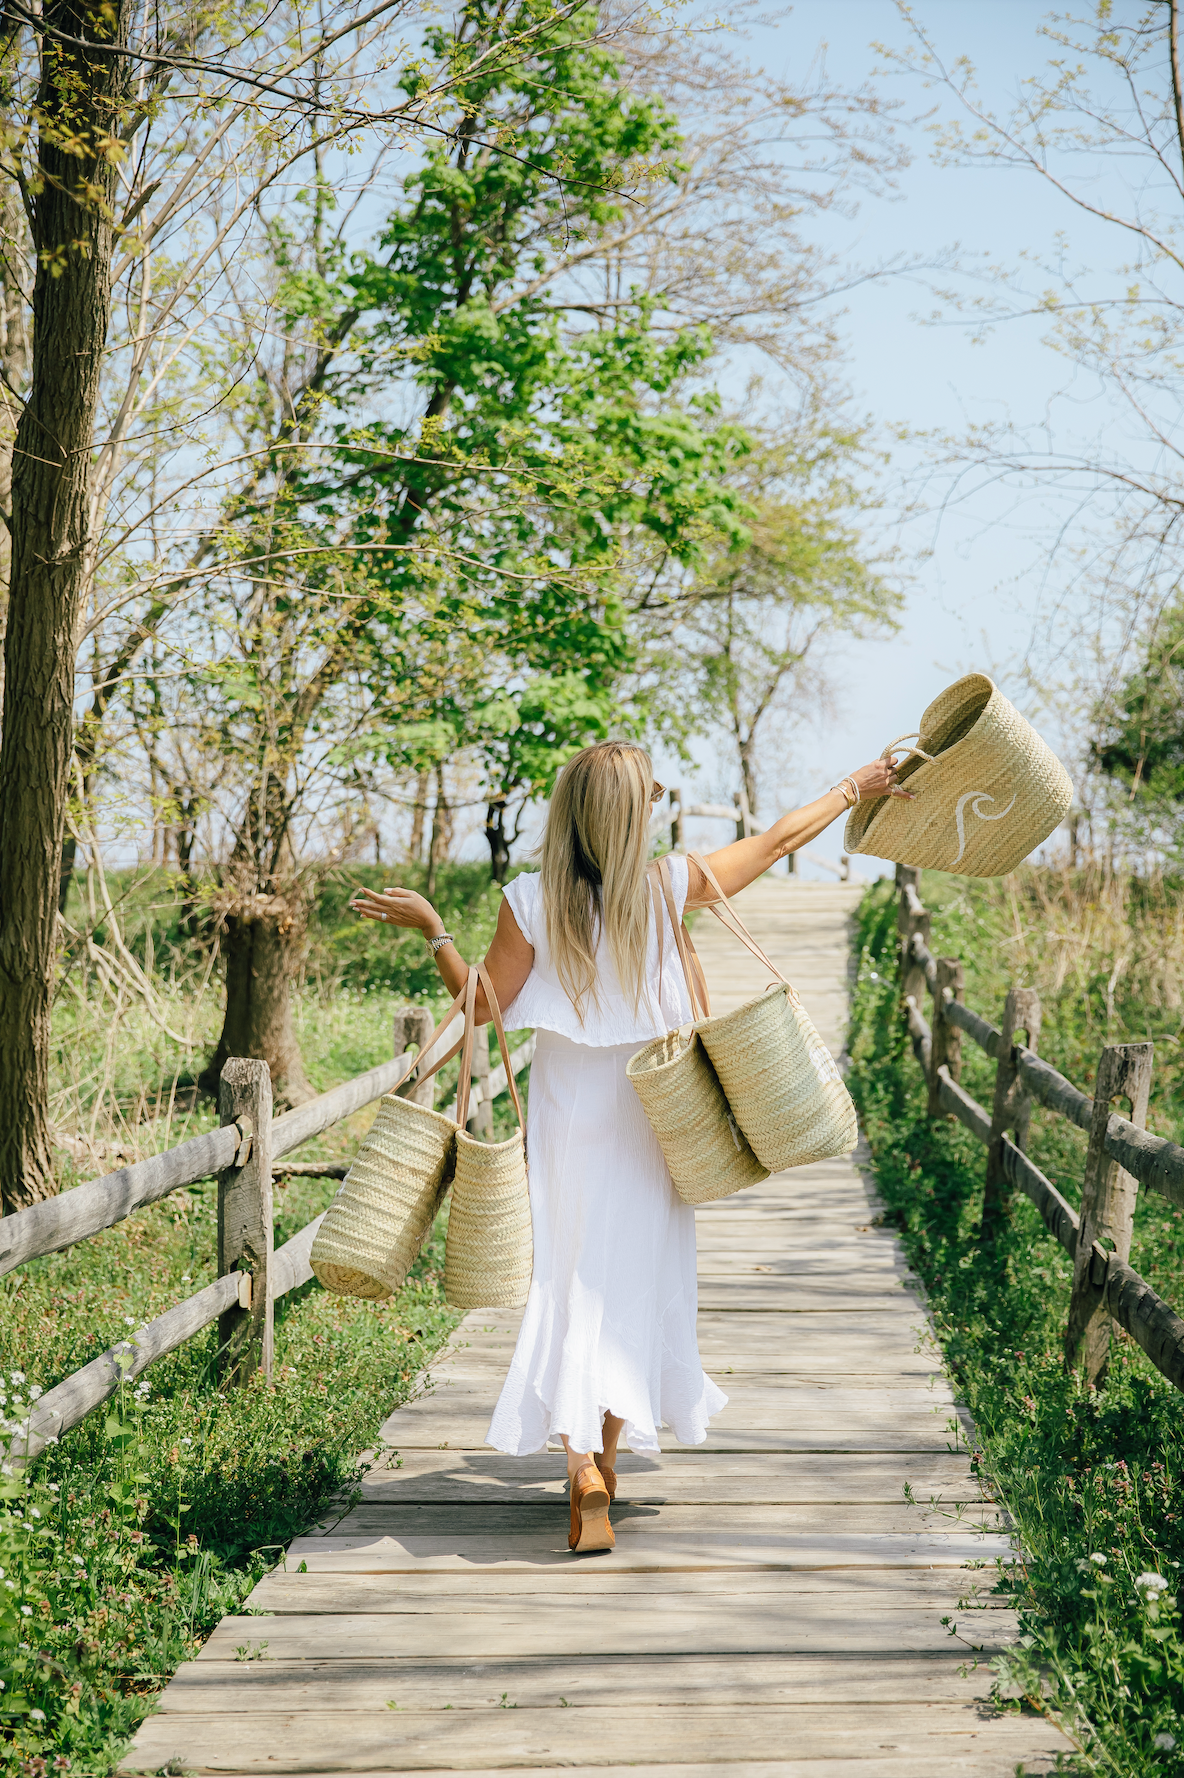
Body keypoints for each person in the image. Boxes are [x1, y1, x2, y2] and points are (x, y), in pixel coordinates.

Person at [351, 742, 906, 1553]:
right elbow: (784, 840)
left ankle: (579, 1469)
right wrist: (856, 783)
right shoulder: (668, 885)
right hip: (656, 1112)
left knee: (571, 1280)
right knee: (632, 1285)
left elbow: (480, 1009)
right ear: (632, 813)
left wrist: (435, 930)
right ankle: (601, 1468)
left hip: (571, 1117)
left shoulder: (528, 903)